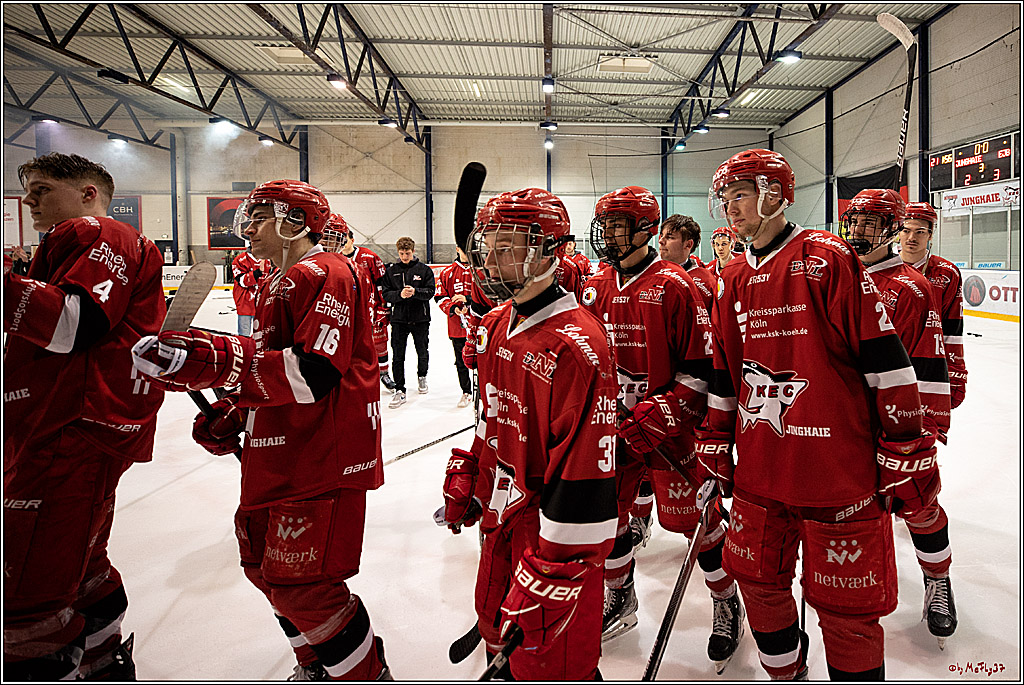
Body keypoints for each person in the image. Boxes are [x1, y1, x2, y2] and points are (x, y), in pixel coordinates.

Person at [132, 179, 391, 680]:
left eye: (258, 216)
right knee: (265, 568)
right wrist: (237, 411)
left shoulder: (326, 270)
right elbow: (273, 368)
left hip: (322, 456)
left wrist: (213, 360)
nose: (246, 226)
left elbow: (313, 371)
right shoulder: (280, 279)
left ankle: (366, 675)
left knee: (306, 586)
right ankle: (316, 663)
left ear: (295, 222)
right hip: (283, 451)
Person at [698, 149, 935, 679]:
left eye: (741, 193)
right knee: (759, 584)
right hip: (762, 467)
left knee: (848, 612)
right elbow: (723, 371)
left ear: (775, 194)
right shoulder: (731, 274)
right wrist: (715, 437)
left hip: (836, 471)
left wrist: (904, 443)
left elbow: (885, 359)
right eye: (727, 196)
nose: (731, 207)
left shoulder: (826, 255)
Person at [441, 187, 618, 680]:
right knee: (500, 631)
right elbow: (490, 416)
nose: (493, 260)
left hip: (550, 537)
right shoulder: (499, 322)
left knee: (554, 661)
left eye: (508, 246)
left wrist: (553, 569)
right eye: (489, 245)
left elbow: (587, 475)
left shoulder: (578, 346)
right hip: (503, 514)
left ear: (549, 249)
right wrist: (472, 474)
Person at [4, 152, 166, 680]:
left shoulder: (97, 230)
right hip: (84, 428)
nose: (29, 199)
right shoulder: (76, 239)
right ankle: (102, 660)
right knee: (83, 567)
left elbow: (74, 325)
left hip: (66, 430)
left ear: (89, 194)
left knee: (26, 596)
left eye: (43, 188)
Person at [584, 186, 742, 672]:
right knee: (607, 521)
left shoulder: (678, 285)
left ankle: (725, 600)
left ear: (645, 230)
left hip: (671, 434)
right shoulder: (595, 286)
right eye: (605, 224)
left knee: (699, 525)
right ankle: (621, 596)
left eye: (618, 225)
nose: (608, 234)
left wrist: (664, 413)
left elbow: (703, 367)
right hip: (613, 430)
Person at [840, 189, 957, 648]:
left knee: (919, 505)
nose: (861, 231)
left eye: (873, 222)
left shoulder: (911, 286)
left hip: (894, 425)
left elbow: (923, 364)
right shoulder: (837, 273)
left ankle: (938, 579)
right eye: (857, 221)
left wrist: (917, 435)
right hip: (845, 425)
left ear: (892, 229)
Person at [899, 202, 968, 410]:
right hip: (889, 363)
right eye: (906, 230)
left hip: (928, 366)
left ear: (930, 235)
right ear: (897, 232)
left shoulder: (946, 273)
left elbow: (952, 328)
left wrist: (956, 371)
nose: (912, 238)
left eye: (920, 232)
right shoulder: (880, 268)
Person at [336, 219, 396, 392]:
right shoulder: (335, 258)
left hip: (371, 309)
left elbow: (382, 285)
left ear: (352, 240)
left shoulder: (369, 256)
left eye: (345, 239)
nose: (342, 243)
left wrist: (384, 308)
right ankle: (355, 376)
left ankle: (384, 374)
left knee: (379, 343)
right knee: (350, 345)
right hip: (347, 310)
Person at [381, 236, 435, 408]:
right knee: (398, 355)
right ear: (398, 252)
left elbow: (431, 292)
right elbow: (386, 294)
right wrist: (399, 295)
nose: (405, 256)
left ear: (413, 251)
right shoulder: (391, 271)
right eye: (402, 253)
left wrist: (415, 291)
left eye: (408, 253)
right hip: (399, 320)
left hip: (420, 319)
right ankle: (400, 389)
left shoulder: (424, 270)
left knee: (422, 350)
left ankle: (422, 376)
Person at [434, 247, 475, 408]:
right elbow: (439, 296)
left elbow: (488, 295)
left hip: (479, 326)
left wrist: (469, 299)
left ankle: (483, 391)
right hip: (457, 327)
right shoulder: (447, 272)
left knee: (483, 359)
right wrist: (453, 308)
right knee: (461, 361)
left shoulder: (481, 270)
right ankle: (466, 391)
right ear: (457, 249)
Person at [232, 247, 270, 336]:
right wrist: (258, 272)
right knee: (244, 333)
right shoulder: (240, 259)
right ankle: (245, 347)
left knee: (261, 333)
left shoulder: (268, 259)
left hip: (261, 302)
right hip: (245, 302)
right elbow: (241, 281)